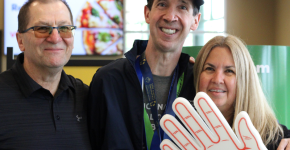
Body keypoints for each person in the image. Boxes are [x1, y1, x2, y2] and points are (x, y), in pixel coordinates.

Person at [88, 0, 204, 149]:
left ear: (195, 21)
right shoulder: (108, 81)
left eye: (182, 7)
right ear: (147, 14)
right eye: (162, 4)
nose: (170, 17)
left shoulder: (199, 86)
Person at [0, 0, 91, 149]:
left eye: (64, 28)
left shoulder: (87, 97)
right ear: (20, 41)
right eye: (42, 28)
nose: (55, 38)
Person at [193, 35, 290, 150]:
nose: (217, 79)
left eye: (229, 71)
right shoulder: (182, 131)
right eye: (209, 69)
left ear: (244, 81)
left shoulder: (277, 140)